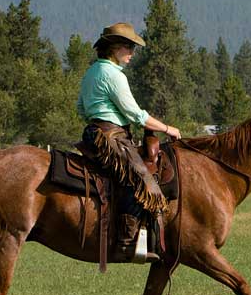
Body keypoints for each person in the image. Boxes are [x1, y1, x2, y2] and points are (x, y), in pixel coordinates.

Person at [76, 22, 181, 261]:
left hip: (93, 133)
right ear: (114, 48)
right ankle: (126, 242)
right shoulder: (113, 75)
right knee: (142, 180)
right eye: (128, 47)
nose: (132, 53)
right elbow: (136, 115)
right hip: (111, 137)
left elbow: (81, 109)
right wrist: (168, 129)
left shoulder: (91, 72)